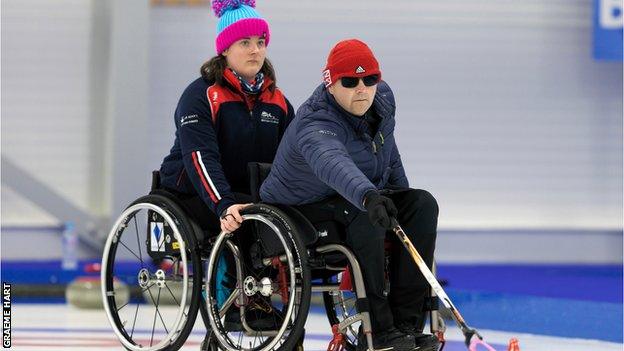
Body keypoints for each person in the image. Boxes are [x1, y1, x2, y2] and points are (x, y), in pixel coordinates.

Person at [260, 39, 440, 351]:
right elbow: (333, 163)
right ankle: (381, 331)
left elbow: (388, 153)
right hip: (299, 208)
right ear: (330, 84)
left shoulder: (381, 101)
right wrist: (369, 197)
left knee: (422, 205)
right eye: (351, 81)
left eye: (370, 79)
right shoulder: (315, 122)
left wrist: (397, 202)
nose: (363, 89)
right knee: (362, 215)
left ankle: (405, 325)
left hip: (351, 198)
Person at [157, 0, 294, 348]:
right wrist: (223, 204)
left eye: (260, 42)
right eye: (245, 43)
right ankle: (229, 304)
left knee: (268, 216)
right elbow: (200, 157)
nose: (255, 50)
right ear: (225, 50)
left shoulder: (277, 102)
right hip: (192, 192)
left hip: (248, 195)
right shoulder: (200, 95)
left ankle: (263, 299)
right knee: (241, 216)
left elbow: (293, 159)